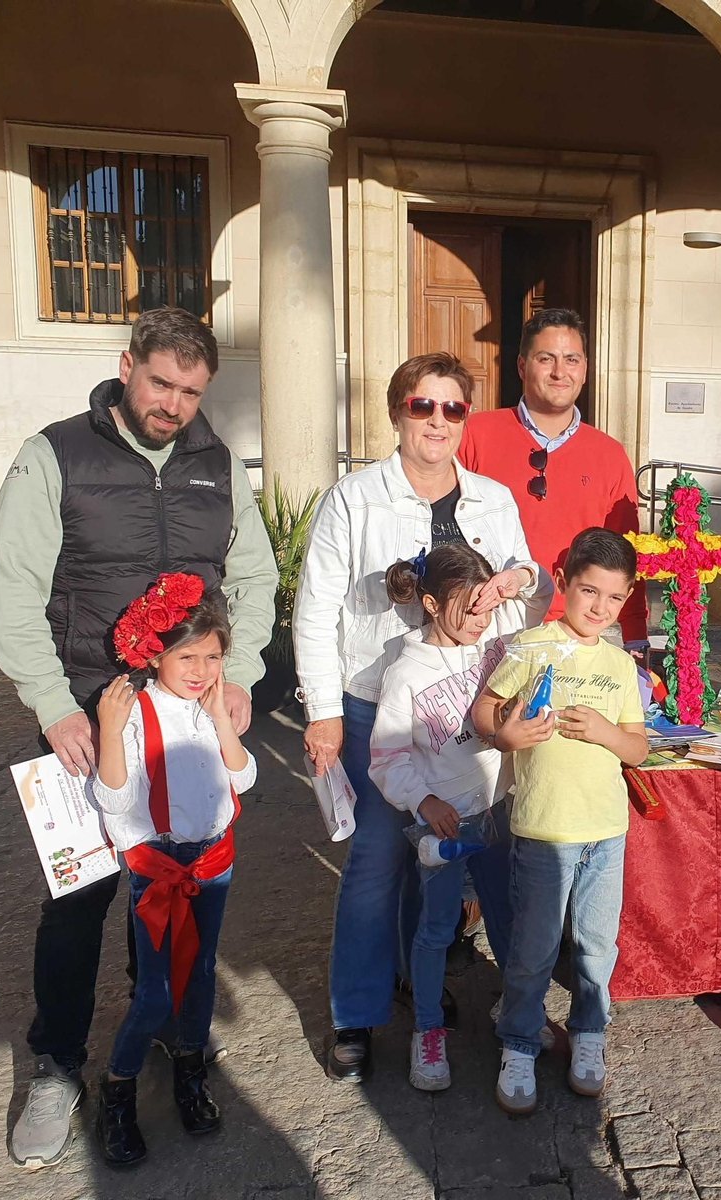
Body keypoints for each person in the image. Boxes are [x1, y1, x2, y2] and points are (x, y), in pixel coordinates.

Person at [0, 307, 275, 1170]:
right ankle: (57, 1067)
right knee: (78, 902)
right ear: (126, 366)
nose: (174, 404)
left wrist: (240, 679)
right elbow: (13, 592)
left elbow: (253, 573)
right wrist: (54, 705)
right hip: (88, 716)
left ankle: (163, 1029)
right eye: (161, 383)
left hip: (186, 718)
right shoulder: (55, 455)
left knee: (178, 885)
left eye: (192, 391)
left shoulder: (217, 465)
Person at [294, 351, 548, 1084]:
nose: (437, 422)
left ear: (466, 418)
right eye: (422, 406)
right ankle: (357, 1014)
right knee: (377, 863)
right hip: (379, 703)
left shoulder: (493, 499)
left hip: (472, 705)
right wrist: (322, 713)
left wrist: (521, 577)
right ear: (398, 410)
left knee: (469, 852)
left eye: (452, 409)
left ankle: (434, 982)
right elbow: (314, 613)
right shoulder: (353, 498)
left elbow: (526, 592)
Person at [470, 528, 649, 1114]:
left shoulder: (621, 665)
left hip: (606, 832)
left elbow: (639, 749)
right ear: (565, 584)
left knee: (597, 945)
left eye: (614, 599)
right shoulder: (530, 645)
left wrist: (605, 732)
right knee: (534, 947)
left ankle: (589, 1036)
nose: (599, 608)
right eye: (588, 591)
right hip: (544, 830)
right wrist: (505, 734)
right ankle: (520, 1041)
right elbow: (484, 712)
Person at [368, 541, 549, 1091]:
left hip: (497, 812)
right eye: (467, 606)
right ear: (428, 602)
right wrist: (424, 802)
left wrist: (514, 579)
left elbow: (541, 604)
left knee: (508, 919)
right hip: (443, 828)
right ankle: (428, 1030)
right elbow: (388, 756)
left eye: (487, 607)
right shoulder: (405, 673)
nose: (480, 618)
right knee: (435, 930)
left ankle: (518, 1016)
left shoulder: (496, 647)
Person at [88, 580, 254, 1166]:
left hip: (213, 860)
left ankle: (190, 1070)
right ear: (156, 654)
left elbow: (244, 778)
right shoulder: (136, 713)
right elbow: (113, 800)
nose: (202, 669)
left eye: (213, 657)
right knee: (155, 990)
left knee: (202, 972)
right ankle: (117, 1089)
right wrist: (109, 730)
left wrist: (222, 721)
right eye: (188, 656)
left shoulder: (211, 709)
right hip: (158, 869)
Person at [458, 308, 647, 645]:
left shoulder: (610, 454)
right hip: (486, 625)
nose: (560, 372)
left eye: (571, 360)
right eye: (546, 359)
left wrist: (635, 636)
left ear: (585, 370)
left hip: (574, 632)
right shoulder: (474, 434)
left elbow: (627, 555)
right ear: (521, 366)